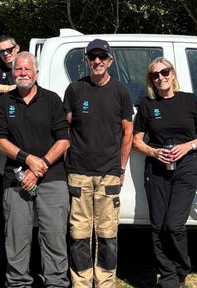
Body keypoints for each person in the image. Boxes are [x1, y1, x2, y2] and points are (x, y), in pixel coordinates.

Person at [131, 58, 197, 288]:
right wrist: (154, 152)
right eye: (155, 75)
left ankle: (181, 269)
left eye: (164, 72)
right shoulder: (147, 105)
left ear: (172, 74)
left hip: (186, 167)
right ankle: (168, 276)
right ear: (151, 80)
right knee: (157, 226)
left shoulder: (189, 100)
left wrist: (187, 146)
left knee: (174, 225)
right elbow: (136, 141)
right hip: (157, 168)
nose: (160, 78)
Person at [0, 52, 70, 288]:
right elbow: (0, 141)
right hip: (15, 181)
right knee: (17, 237)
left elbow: (64, 140)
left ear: (36, 73)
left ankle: (56, 283)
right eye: (18, 69)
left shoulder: (52, 100)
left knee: (54, 235)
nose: (23, 73)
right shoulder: (6, 102)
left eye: (28, 69)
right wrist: (28, 160)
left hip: (52, 178)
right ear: (12, 73)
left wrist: (41, 166)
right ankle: (17, 283)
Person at [63, 38, 133, 288]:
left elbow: (128, 132)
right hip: (79, 173)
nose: (97, 61)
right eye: (92, 57)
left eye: (102, 57)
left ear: (110, 60)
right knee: (79, 234)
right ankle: (81, 282)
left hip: (109, 174)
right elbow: (67, 130)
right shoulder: (74, 90)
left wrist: (121, 168)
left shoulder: (121, 91)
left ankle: (105, 282)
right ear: (86, 60)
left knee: (107, 234)